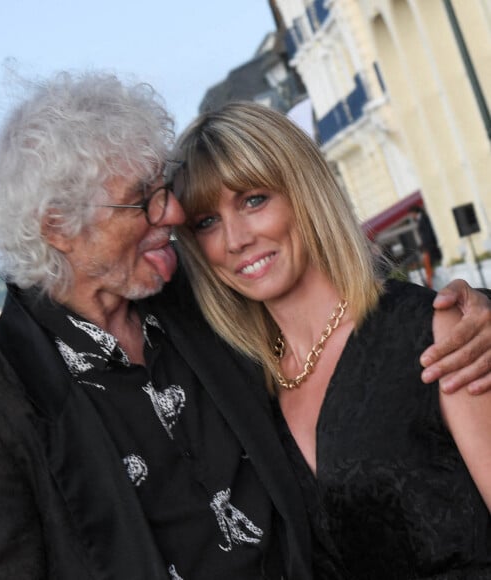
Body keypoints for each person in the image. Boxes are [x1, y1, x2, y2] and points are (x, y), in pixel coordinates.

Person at [0, 72, 491, 580]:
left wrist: (477, 307)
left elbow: (351, 319)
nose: (173, 214)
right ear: (60, 227)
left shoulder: (200, 306)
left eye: (162, 190)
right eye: (140, 202)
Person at [171, 101, 491, 578]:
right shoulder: (246, 391)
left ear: (303, 192)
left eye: (253, 200)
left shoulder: (435, 333)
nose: (235, 239)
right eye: (207, 222)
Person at [409, 204, 442, 288]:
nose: (411, 216)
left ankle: (432, 286)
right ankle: (431, 285)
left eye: (411, 214)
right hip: (427, 247)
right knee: (429, 269)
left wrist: (425, 247)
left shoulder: (423, 219)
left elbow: (428, 235)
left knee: (430, 269)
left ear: (414, 212)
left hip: (430, 248)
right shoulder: (421, 219)